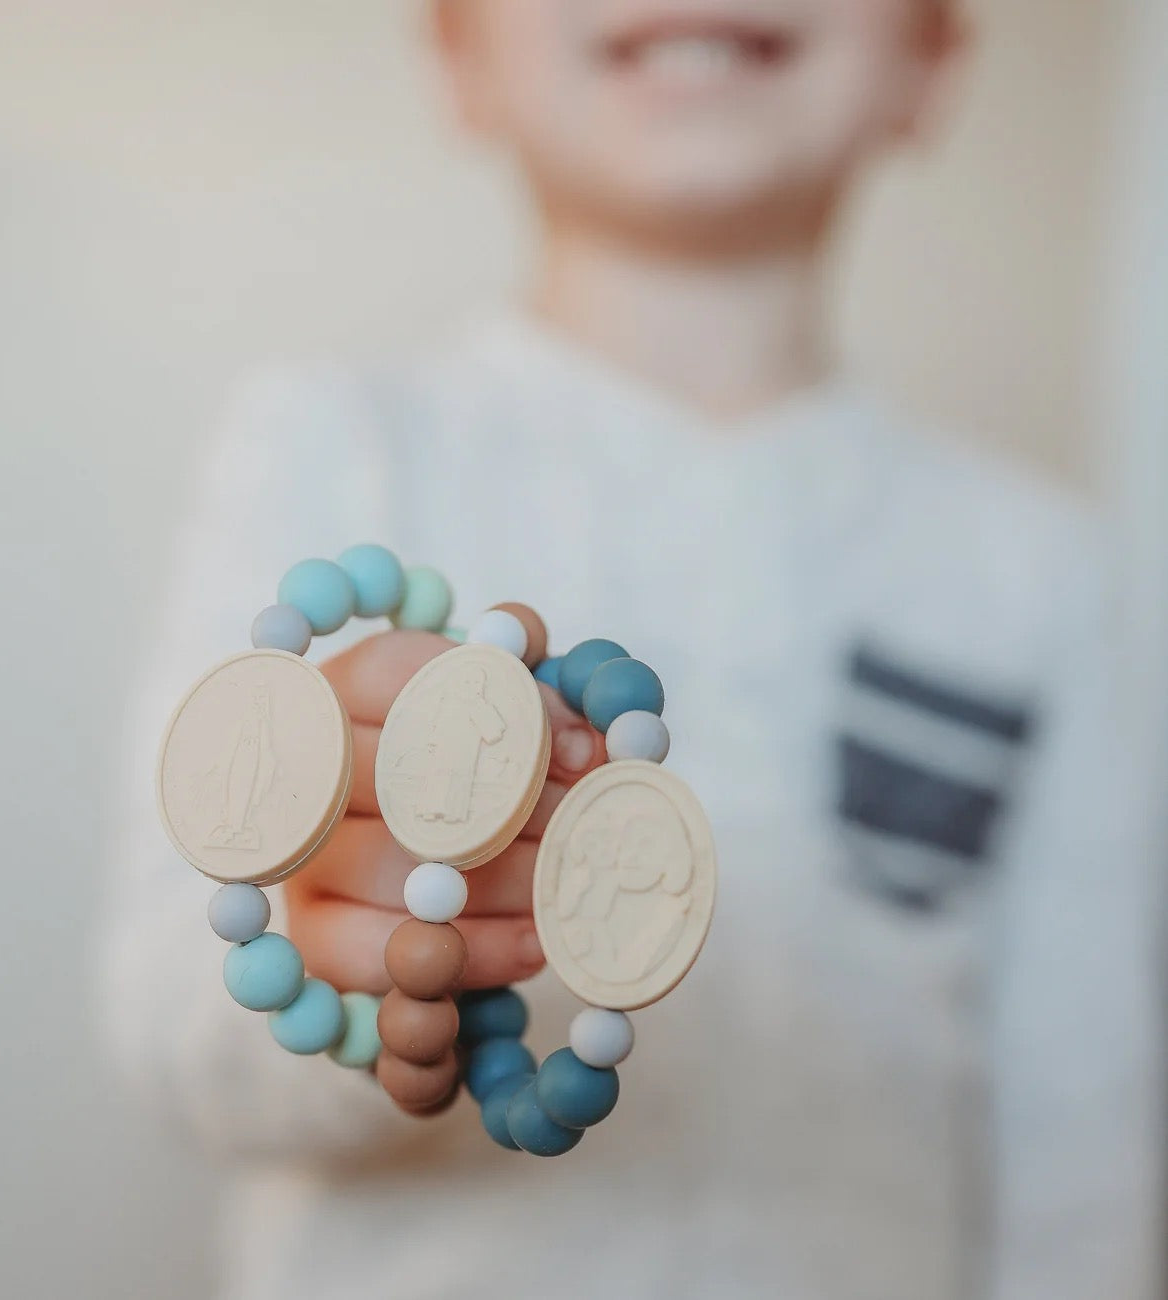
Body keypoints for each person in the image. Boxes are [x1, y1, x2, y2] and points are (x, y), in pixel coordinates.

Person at [99, 3, 1163, 1298]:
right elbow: (169, 1033)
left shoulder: (1037, 569)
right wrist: (338, 961)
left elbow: (1086, 1152)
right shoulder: (335, 447)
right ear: (459, 59)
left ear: (930, 60)